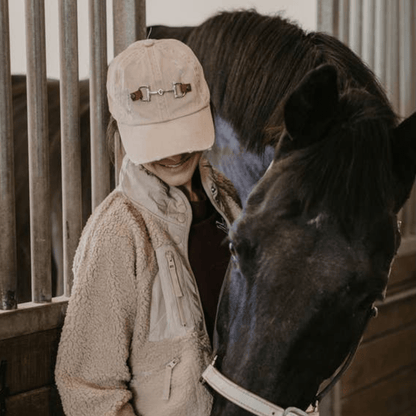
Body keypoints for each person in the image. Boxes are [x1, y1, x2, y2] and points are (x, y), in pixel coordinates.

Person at [55, 38, 241, 416]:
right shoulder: (117, 232)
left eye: (183, 133)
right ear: (121, 133)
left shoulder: (228, 201)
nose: (173, 153)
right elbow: (88, 388)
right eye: (157, 140)